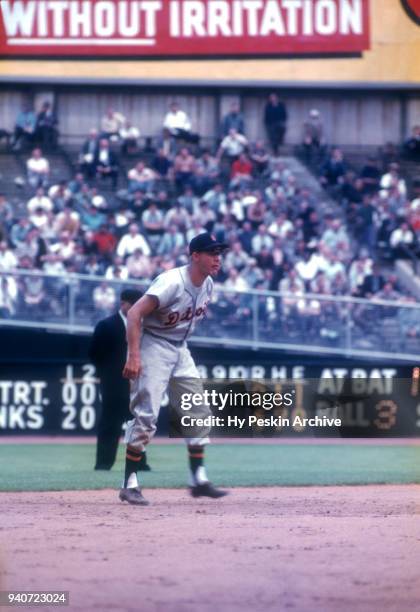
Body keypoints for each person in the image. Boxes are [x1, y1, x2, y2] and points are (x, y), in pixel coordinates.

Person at [120, 232, 229, 505]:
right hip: (154, 345)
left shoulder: (208, 285)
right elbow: (134, 314)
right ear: (195, 256)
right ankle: (129, 483)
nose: (218, 258)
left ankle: (198, 479)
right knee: (146, 416)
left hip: (180, 348)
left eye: (219, 253)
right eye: (211, 253)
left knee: (197, 411)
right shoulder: (171, 282)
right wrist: (134, 355)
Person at [89, 289, 151, 471]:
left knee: (138, 424)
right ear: (124, 304)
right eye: (132, 304)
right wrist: (108, 374)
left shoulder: (145, 326)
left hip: (137, 383)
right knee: (110, 423)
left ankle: (141, 464)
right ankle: (103, 464)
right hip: (113, 384)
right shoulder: (106, 325)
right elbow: (94, 354)